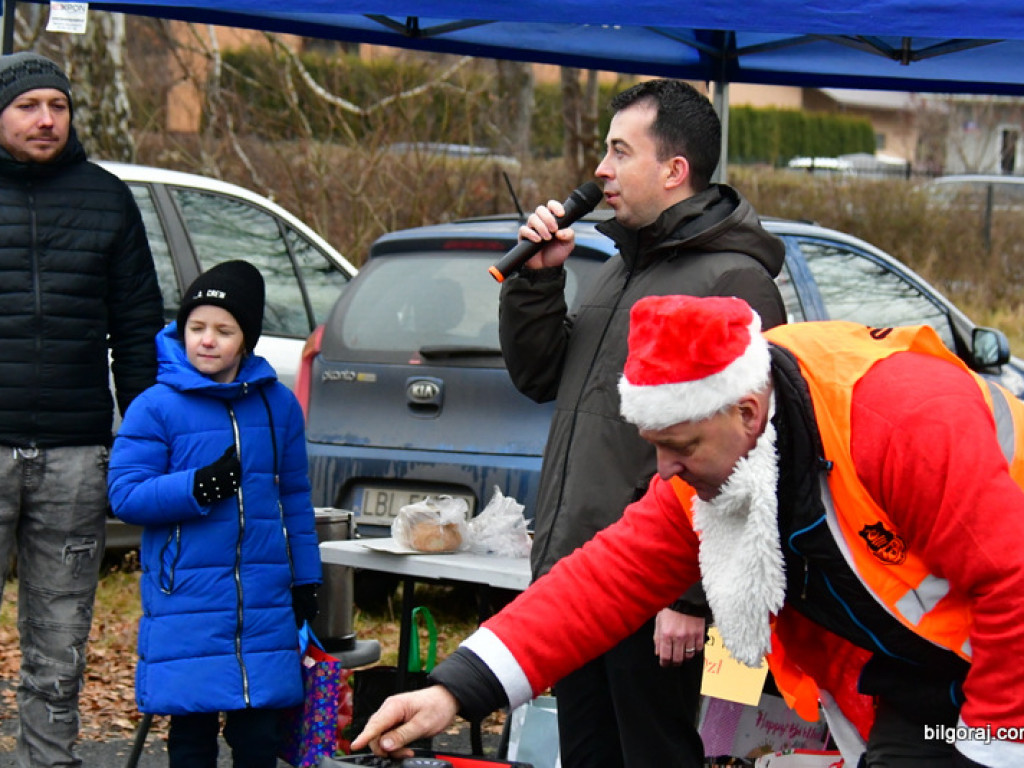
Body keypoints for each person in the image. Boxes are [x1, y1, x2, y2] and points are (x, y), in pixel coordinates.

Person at [353, 294, 1024, 768]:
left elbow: (1015, 580)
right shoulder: (713, 465)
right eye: (654, 445)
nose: (664, 470)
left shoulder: (901, 417)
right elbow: (596, 587)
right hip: (927, 682)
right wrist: (452, 689)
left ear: (748, 410)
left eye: (680, 446)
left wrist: (993, 746)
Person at [497, 78, 786, 766]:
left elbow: (755, 451)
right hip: (578, 573)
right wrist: (538, 281)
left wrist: (688, 593)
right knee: (588, 754)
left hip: (651, 586)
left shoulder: (733, 281)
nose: (600, 170)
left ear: (674, 169)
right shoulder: (618, 270)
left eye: (619, 151)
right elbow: (542, 379)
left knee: (652, 754)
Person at [0, 50, 164, 767]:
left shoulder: (106, 198)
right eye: (28, 106)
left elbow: (137, 329)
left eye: (57, 106)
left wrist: (147, 439)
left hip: (75, 458)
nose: (45, 119)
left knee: (60, 646)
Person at [107, 261, 322, 768]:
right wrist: (195, 486)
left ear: (246, 337)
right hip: (187, 598)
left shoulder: (278, 407)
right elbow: (124, 494)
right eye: (196, 328)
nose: (207, 340)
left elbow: (295, 497)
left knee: (259, 737)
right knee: (192, 732)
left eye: (223, 330)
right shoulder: (155, 407)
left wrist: (307, 578)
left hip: (264, 601)